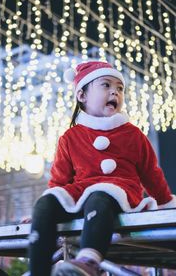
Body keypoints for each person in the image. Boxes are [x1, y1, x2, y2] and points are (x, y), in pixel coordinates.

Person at [29, 61, 176, 276]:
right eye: (106, 85)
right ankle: (38, 270)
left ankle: (88, 261)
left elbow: (151, 173)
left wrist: (166, 202)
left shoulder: (133, 134)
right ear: (82, 96)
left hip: (121, 193)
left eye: (119, 88)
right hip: (80, 193)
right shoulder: (70, 137)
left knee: (100, 194)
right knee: (45, 202)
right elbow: (59, 181)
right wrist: (46, 207)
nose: (115, 92)